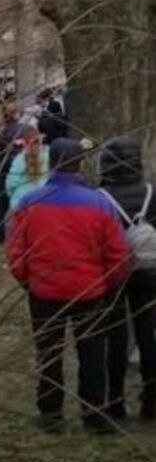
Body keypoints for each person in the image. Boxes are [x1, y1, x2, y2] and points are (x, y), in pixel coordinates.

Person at [7, 138, 132, 433]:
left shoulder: (30, 203)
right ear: (80, 164)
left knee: (49, 354)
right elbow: (117, 253)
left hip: (44, 291)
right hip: (90, 291)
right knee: (92, 354)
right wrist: (107, 283)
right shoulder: (99, 203)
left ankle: (50, 414)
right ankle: (94, 415)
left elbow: (16, 251)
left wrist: (28, 279)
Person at [97, 136, 156, 421]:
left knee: (116, 338)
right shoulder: (152, 193)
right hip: (149, 270)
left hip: (113, 274)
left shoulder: (100, 197)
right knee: (149, 336)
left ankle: (115, 401)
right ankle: (152, 400)